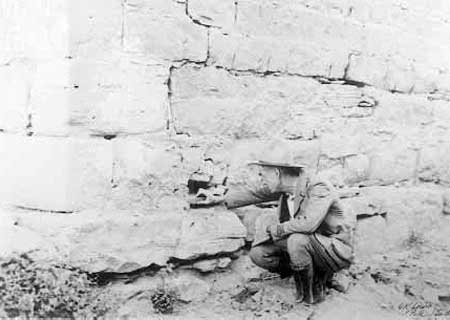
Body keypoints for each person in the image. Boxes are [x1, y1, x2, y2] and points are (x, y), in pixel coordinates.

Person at [191, 161, 355, 304]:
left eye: (263, 175)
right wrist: (216, 198)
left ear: (277, 173)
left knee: (296, 240)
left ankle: (310, 294)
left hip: (333, 250)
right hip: (306, 247)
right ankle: (308, 275)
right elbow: (253, 194)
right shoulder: (285, 188)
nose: (261, 179)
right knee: (259, 253)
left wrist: (276, 229)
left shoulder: (318, 187)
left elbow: (308, 224)